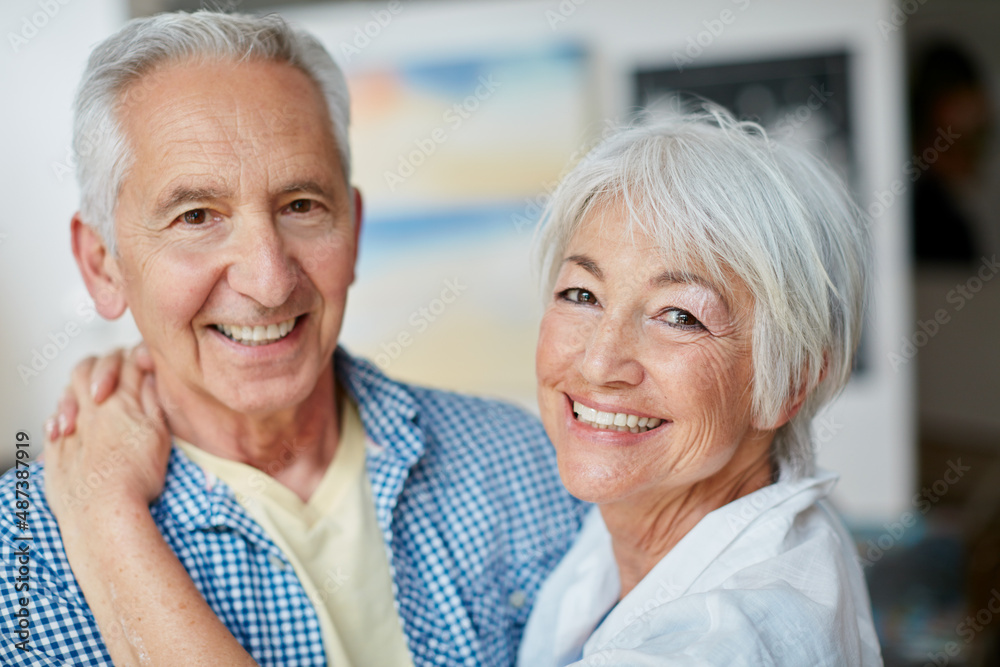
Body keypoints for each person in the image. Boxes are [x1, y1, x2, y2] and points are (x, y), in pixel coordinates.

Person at [0, 11, 581, 667]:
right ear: (103, 263)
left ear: (354, 228)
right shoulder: (24, 555)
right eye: (196, 216)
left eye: (301, 205)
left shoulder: (523, 462)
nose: (270, 282)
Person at [518, 108, 883, 664]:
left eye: (680, 316)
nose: (598, 363)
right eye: (582, 294)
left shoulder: (719, 646)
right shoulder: (651, 509)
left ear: (789, 383)